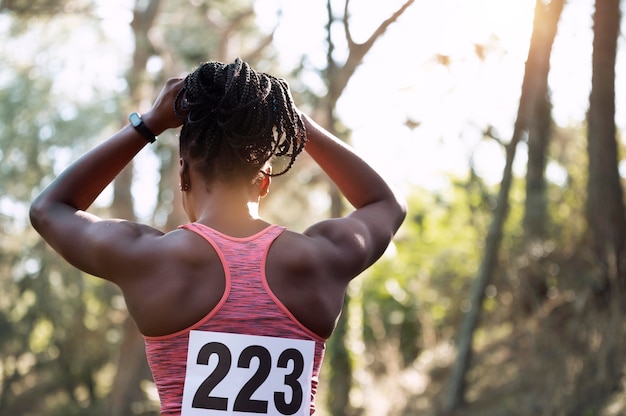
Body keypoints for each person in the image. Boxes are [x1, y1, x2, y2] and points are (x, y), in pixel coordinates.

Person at [30, 58, 406, 415]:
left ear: (183, 175)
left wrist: (148, 124)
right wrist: (294, 120)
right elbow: (385, 204)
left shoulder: (152, 260)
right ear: (264, 180)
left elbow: (49, 209)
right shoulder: (319, 259)